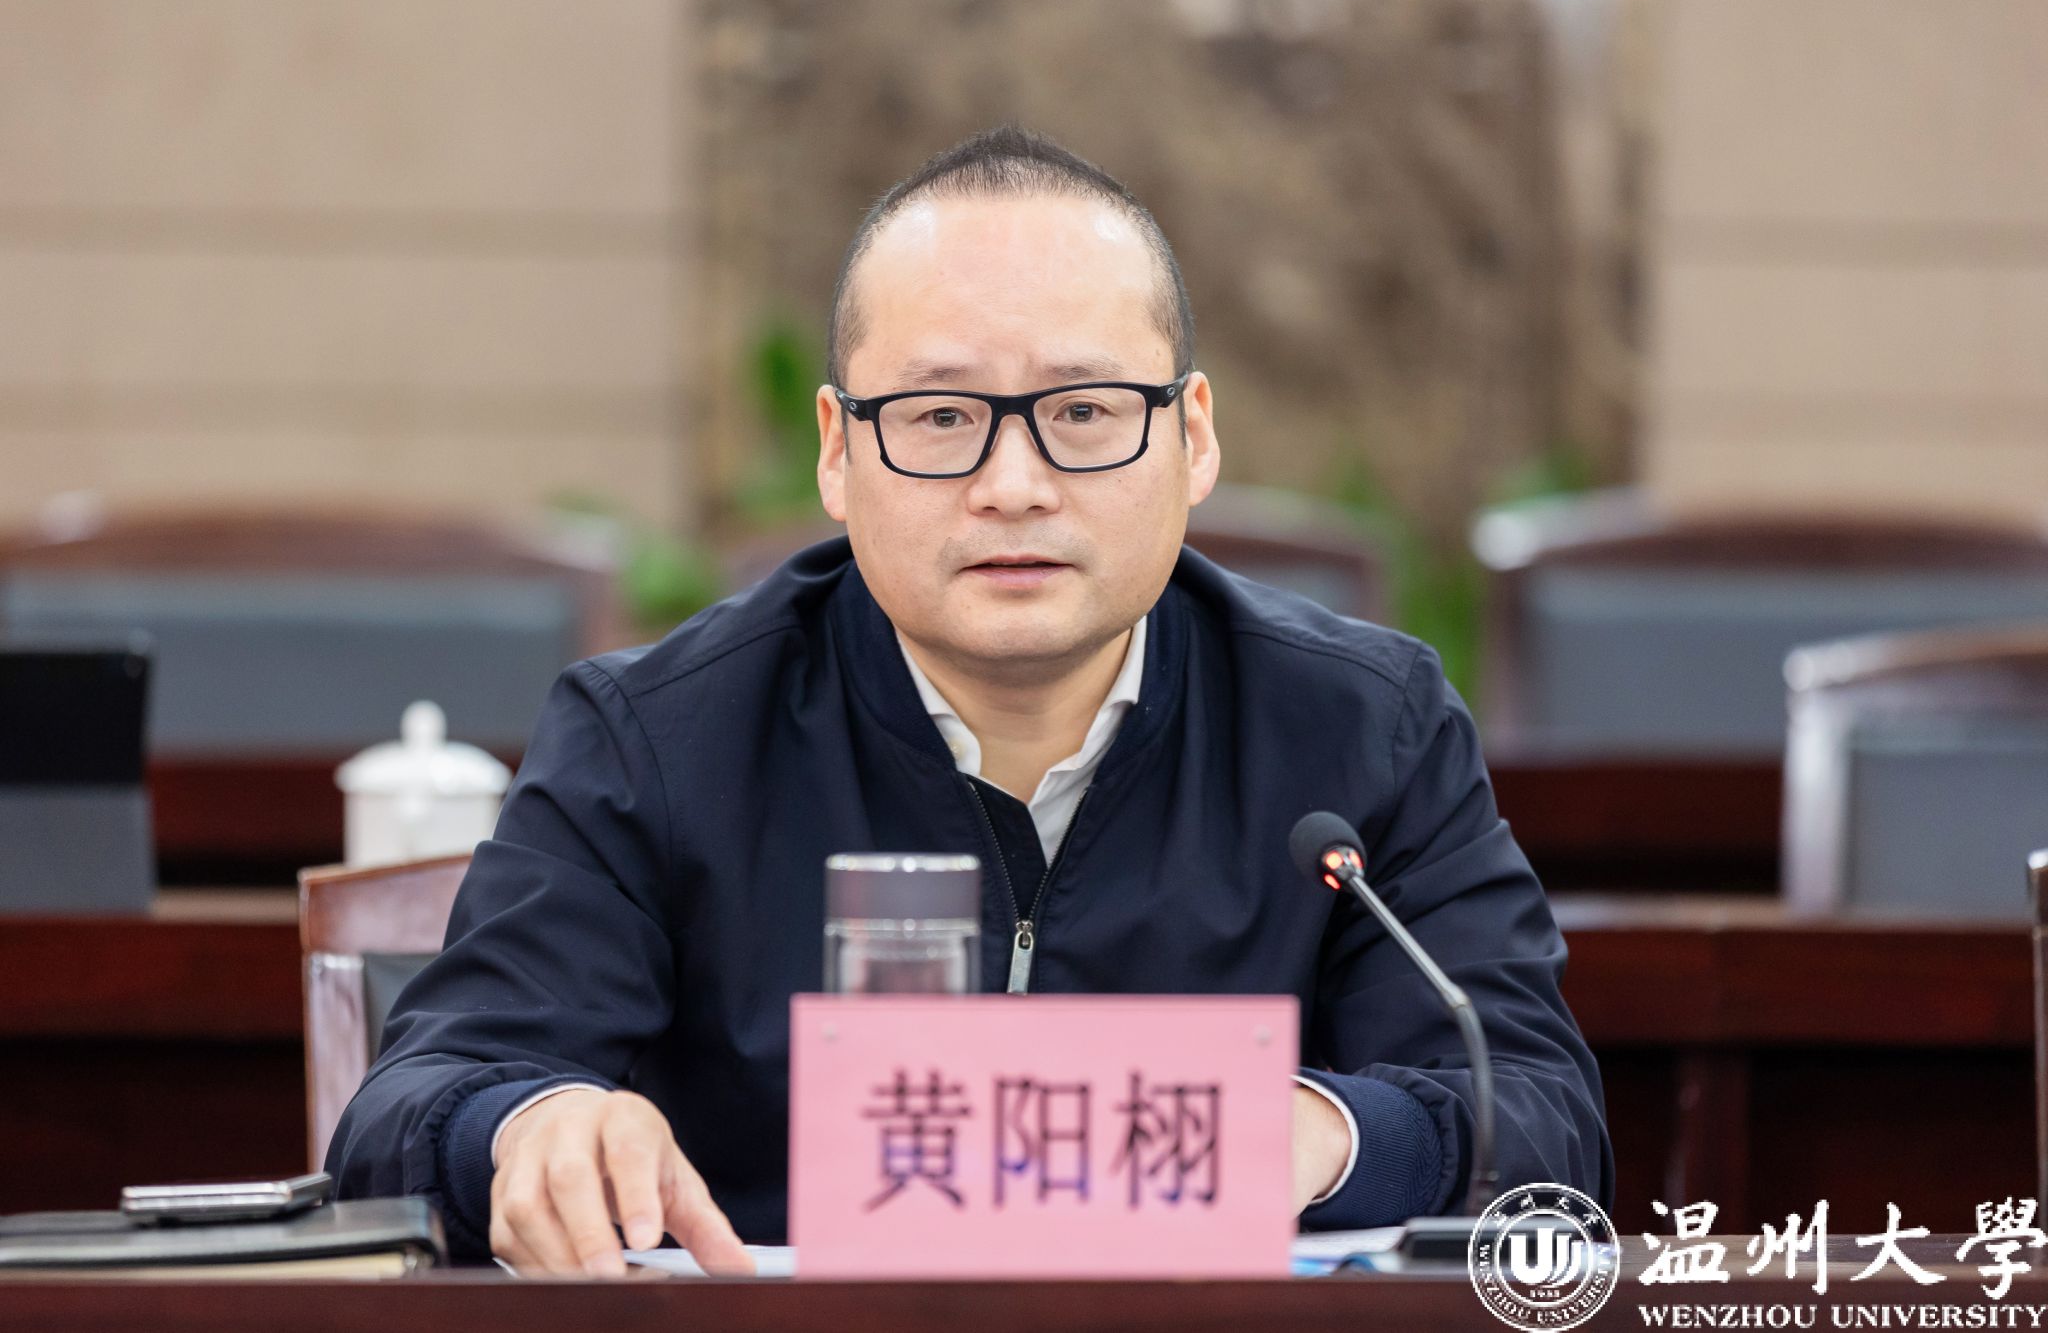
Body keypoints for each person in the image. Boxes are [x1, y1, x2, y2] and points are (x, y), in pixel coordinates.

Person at [327, 125, 1613, 1276]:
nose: (1012, 484)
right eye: (940, 416)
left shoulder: (1363, 727)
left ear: (1193, 436)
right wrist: (529, 1127)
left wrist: (1320, 1133)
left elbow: (1542, 1120)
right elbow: (401, 1115)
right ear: (837, 449)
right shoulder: (655, 740)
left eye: (1084, 410)